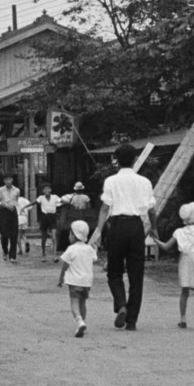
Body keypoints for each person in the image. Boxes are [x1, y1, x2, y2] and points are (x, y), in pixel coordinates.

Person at [90, 143, 156, 332]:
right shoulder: (144, 182)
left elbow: (104, 208)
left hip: (117, 227)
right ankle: (132, 321)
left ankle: (121, 305)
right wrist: (155, 229)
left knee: (114, 271)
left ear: (116, 160)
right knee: (136, 275)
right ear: (135, 159)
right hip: (136, 227)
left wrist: (99, 230)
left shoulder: (111, 181)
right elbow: (152, 210)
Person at [157, 202, 194, 331]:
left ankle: (183, 319)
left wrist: (156, 240)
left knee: (184, 291)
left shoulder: (179, 232)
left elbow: (166, 246)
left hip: (186, 260)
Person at [56, 219, 96, 337]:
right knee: (82, 302)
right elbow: (94, 259)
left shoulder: (71, 249)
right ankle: (83, 321)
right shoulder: (89, 249)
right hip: (87, 282)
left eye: (70, 233)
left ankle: (79, 321)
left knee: (74, 302)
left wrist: (61, 278)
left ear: (74, 235)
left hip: (74, 281)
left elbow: (65, 265)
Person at [0, 174, 22, 262]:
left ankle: (12, 256)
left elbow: (17, 200)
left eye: (9, 179)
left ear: (12, 180)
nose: (8, 181)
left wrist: (13, 207)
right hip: (3, 212)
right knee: (4, 234)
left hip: (13, 212)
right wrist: (4, 205)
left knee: (14, 234)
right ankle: (5, 250)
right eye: (6, 179)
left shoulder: (16, 190)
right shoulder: (0, 190)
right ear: (4, 181)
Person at [60, 182, 90, 253]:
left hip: (74, 216)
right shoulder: (86, 197)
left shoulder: (73, 198)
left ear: (76, 190)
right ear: (82, 189)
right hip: (85, 216)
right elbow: (89, 207)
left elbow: (72, 207)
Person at [35, 183, 63, 258]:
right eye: (45, 189)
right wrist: (25, 207)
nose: (46, 190)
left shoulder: (55, 197)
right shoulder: (41, 197)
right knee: (44, 237)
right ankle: (43, 253)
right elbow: (35, 202)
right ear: (43, 191)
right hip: (44, 217)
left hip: (52, 217)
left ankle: (55, 255)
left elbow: (62, 201)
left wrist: (68, 202)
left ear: (50, 190)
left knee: (54, 236)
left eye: (48, 189)